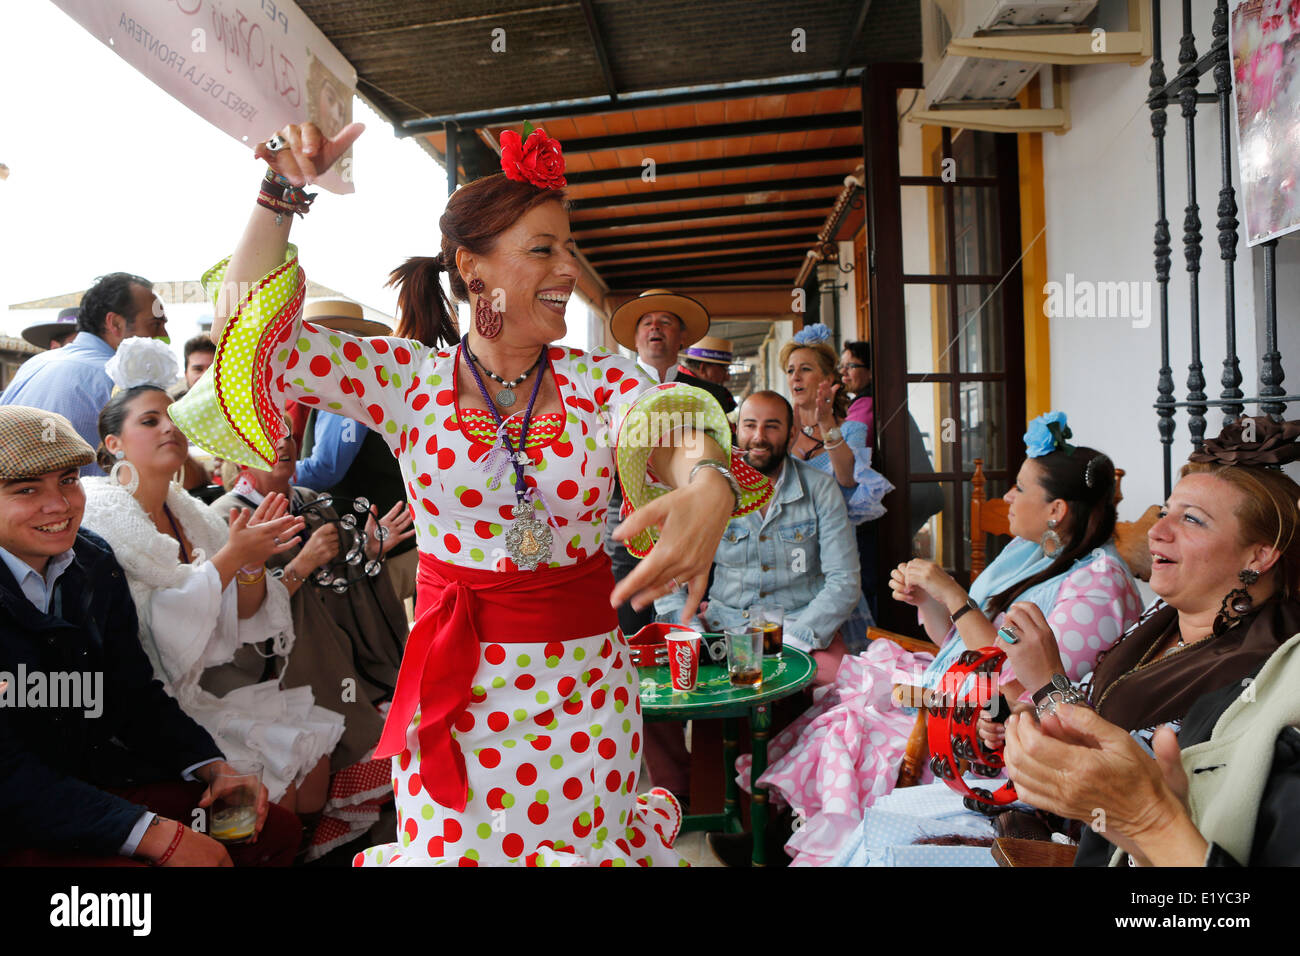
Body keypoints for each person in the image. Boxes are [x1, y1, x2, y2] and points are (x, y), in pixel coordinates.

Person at [170, 120, 770, 866]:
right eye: (542, 249)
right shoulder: (407, 381)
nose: (567, 270)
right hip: (455, 691)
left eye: (568, 249)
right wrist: (280, 193)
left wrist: (709, 480)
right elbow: (252, 337)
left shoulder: (601, 381)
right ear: (473, 268)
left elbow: (672, 426)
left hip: (583, 694)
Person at [758, 411, 1143, 866]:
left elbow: (1014, 682)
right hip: (952, 689)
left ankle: (808, 847)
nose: (1008, 496)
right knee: (835, 706)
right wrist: (929, 602)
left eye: (1020, 488)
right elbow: (958, 646)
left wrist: (954, 596)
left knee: (850, 730)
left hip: (983, 729)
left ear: (1057, 510)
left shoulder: (1097, 586)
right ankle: (782, 837)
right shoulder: (1030, 552)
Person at [0, 406, 299, 867]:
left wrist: (213, 766)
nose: (58, 505)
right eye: (25, 490)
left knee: (272, 832)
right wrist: (151, 834)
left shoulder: (93, 560)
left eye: (66, 480)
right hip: (18, 810)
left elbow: (132, 693)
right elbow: (11, 774)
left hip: (91, 782)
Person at [998, 416, 1300, 866]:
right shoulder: (1162, 620)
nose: (1157, 531)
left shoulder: (1259, 667)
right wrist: (1030, 717)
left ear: (1259, 555)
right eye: (1165, 512)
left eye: (1192, 520)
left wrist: (1047, 684)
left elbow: (1127, 781)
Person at [82, 339, 342, 816]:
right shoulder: (98, 519)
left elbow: (238, 620)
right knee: (281, 790)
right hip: (136, 712)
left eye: (173, 417)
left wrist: (246, 567)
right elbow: (157, 633)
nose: (168, 427)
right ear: (113, 444)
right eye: (149, 421)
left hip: (191, 693)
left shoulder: (195, 516)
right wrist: (231, 559)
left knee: (313, 762)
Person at [212, 431, 413, 858]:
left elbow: (342, 581)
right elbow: (235, 620)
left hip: (342, 657)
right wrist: (302, 564)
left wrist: (369, 552)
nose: (281, 442)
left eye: (285, 432)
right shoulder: (223, 515)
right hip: (288, 674)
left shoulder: (309, 499)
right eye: (264, 433)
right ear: (236, 450)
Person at [604, 289, 740, 637]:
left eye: (665, 322)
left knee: (687, 627)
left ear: (682, 337)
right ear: (635, 337)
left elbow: (723, 452)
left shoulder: (710, 396)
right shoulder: (610, 391)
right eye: (647, 322)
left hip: (692, 521)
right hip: (625, 518)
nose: (655, 328)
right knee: (628, 621)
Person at [294, 300, 419, 604]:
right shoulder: (347, 387)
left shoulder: (346, 391)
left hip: (381, 549)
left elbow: (325, 469)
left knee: (376, 641)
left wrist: (271, 469)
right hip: (382, 543)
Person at [1, 273, 168, 471]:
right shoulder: (123, 379)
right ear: (115, 324)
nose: (164, 336)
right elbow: (159, 468)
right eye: (155, 324)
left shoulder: (34, 364)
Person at [780, 323, 891, 526]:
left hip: (836, 542)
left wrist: (826, 424)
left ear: (828, 378)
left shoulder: (852, 430)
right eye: (790, 370)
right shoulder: (779, 429)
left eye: (805, 369)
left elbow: (848, 480)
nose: (795, 376)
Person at [839, 340, 873, 442]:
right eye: (842, 366)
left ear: (871, 371)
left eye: (851, 366)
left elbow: (845, 449)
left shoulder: (867, 405)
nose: (842, 372)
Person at [168, 334, 217, 400]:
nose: (205, 375)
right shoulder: (170, 405)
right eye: (198, 369)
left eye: (212, 369)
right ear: (186, 374)